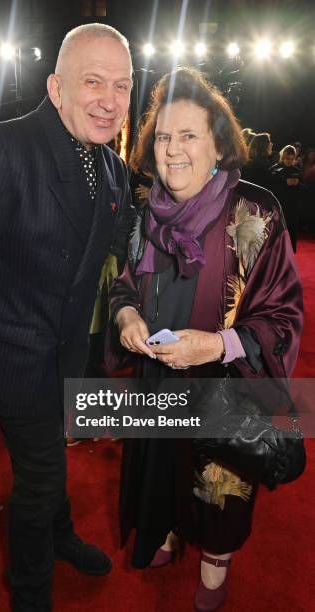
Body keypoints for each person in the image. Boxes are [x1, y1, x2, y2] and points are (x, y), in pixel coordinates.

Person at [0, 23, 134, 612]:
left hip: (67, 351)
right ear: (56, 86)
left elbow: (118, 243)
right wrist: (1, 295)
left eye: (122, 85)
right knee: (39, 476)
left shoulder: (110, 167)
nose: (110, 100)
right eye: (93, 81)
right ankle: (31, 589)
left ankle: (60, 538)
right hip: (14, 355)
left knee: (50, 457)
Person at [108, 67, 303, 612]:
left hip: (225, 389)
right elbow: (124, 285)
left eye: (188, 135)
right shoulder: (149, 213)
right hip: (158, 388)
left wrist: (218, 345)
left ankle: (215, 561)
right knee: (162, 470)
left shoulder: (256, 214)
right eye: (164, 136)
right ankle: (167, 529)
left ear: (218, 141)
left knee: (218, 489)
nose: (172, 150)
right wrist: (125, 318)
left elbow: (283, 314)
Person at [270, 145, 303, 252]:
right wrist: (284, 182)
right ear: (282, 157)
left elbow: (304, 189)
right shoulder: (274, 169)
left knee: (291, 229)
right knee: (277, 229)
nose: (289, 161)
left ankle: (291, 252)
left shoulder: (297, 171)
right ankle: (275, 252)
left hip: (293, 206)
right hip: (278, 205)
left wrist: (298, 184)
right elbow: (270, 186)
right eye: (287, 158)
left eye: (292, 159)